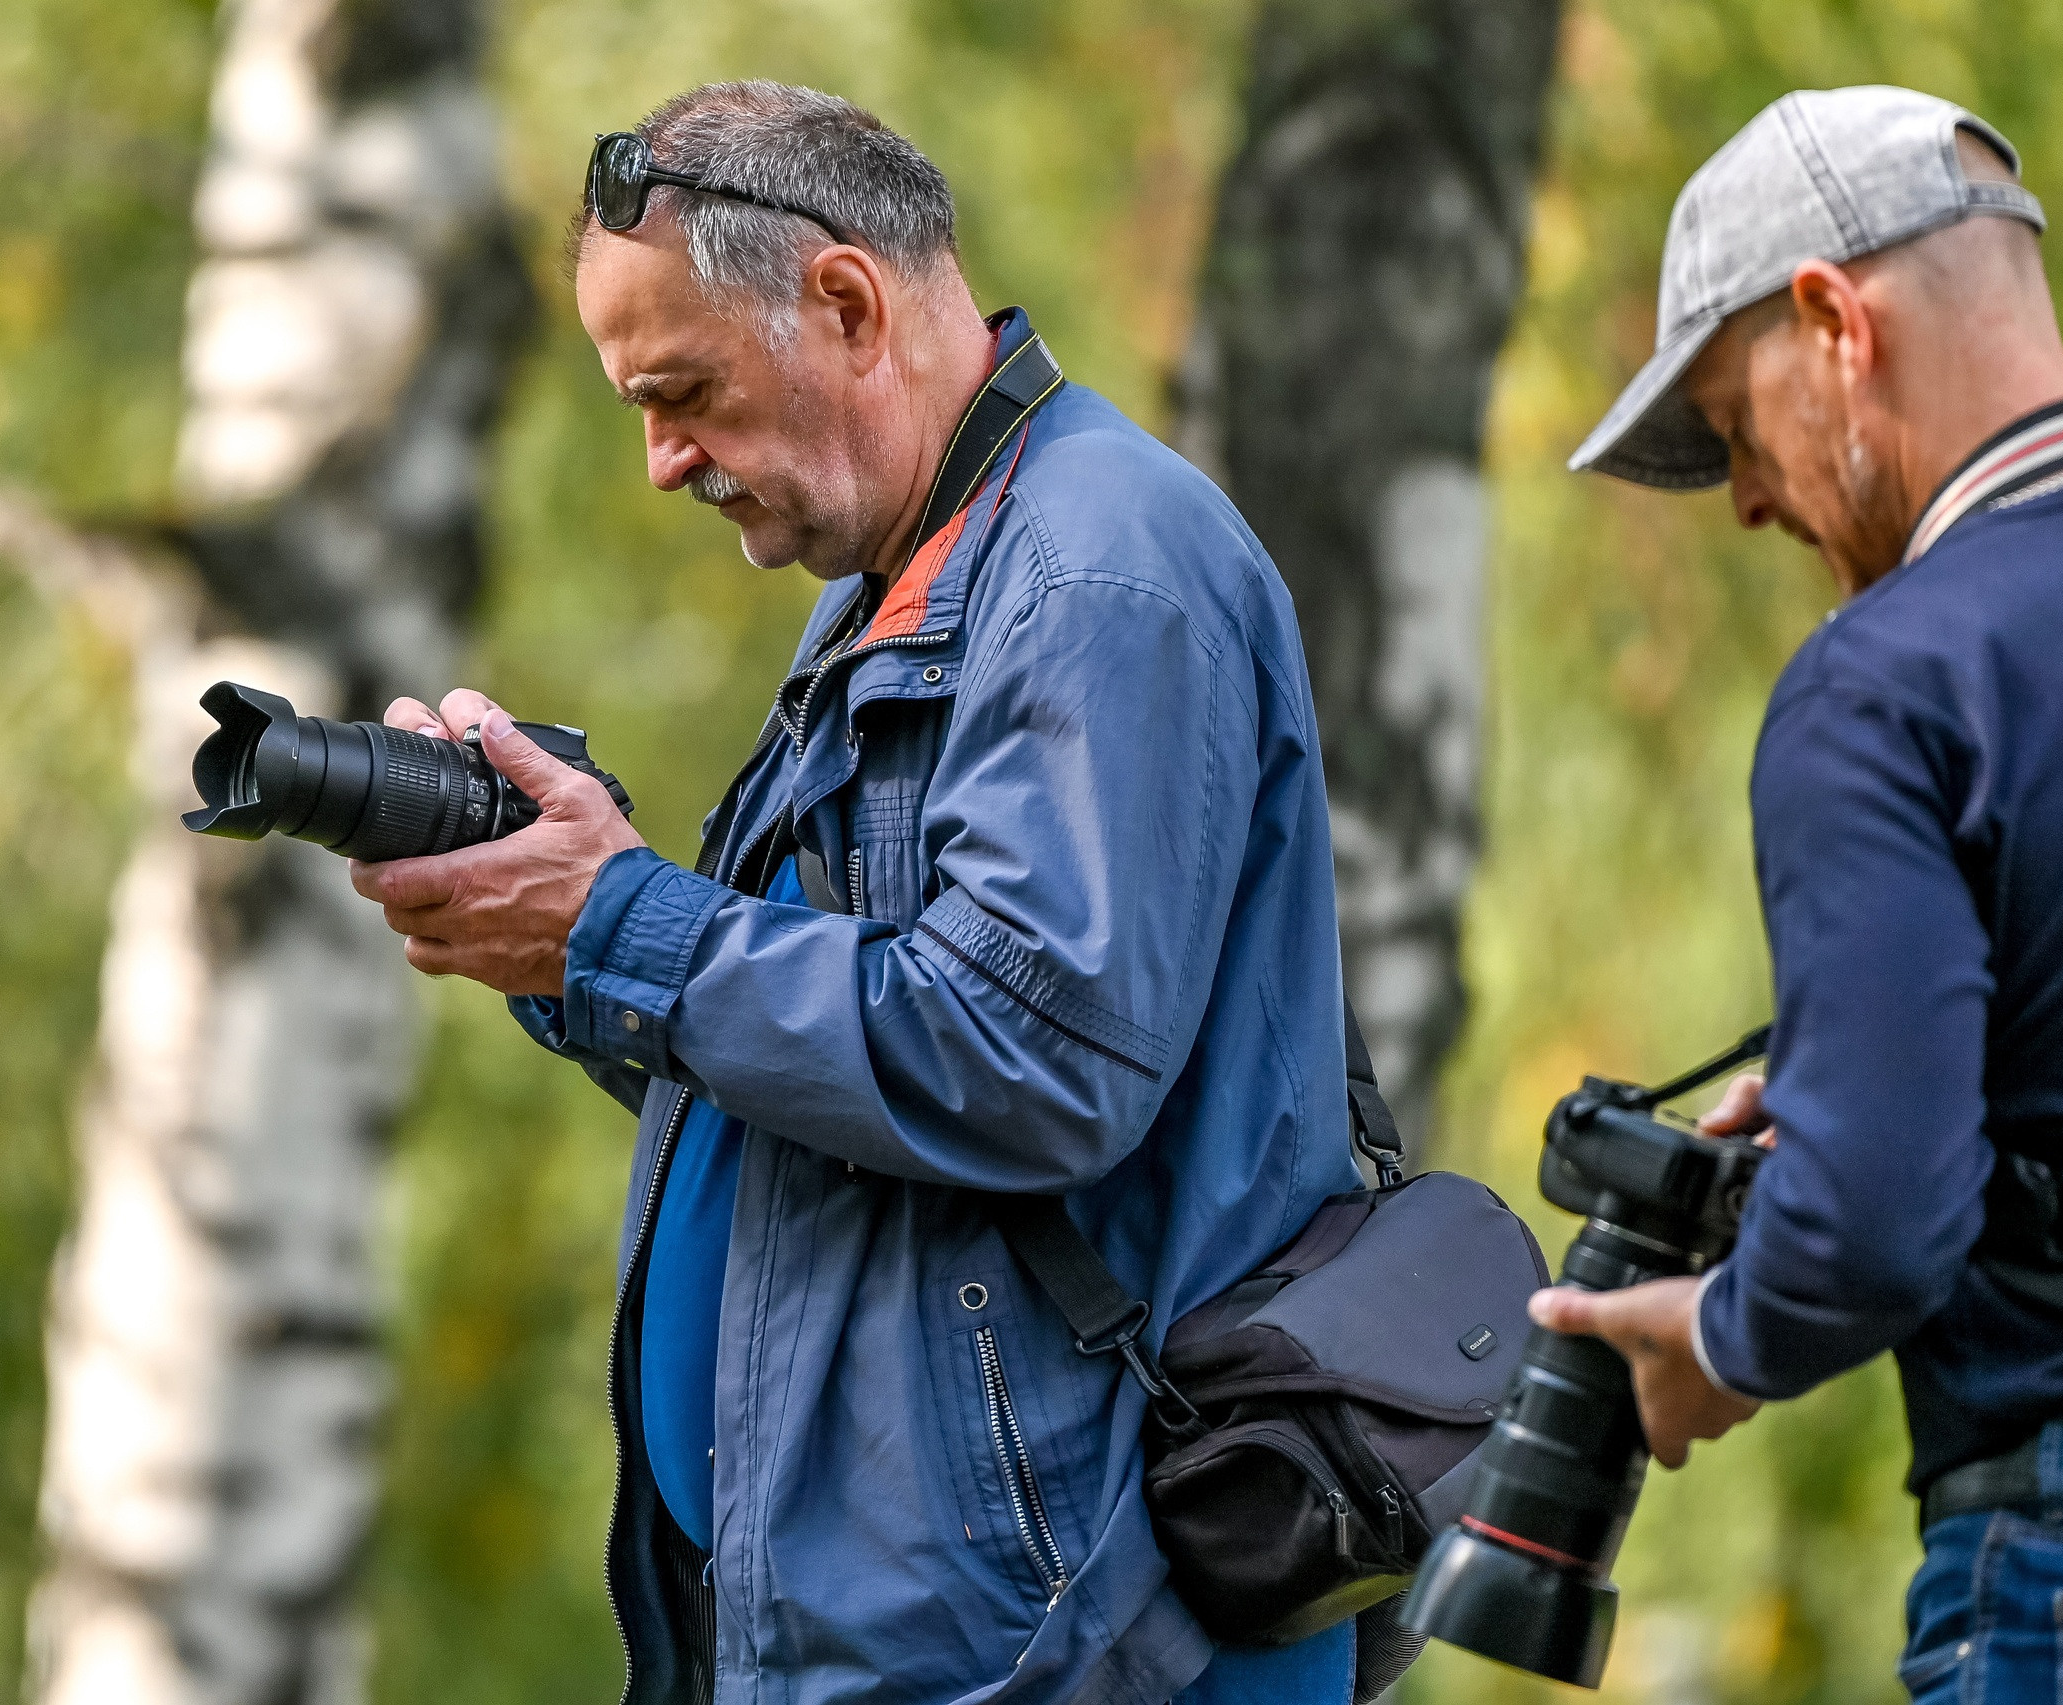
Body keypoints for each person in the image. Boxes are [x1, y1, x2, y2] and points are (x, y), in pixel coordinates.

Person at [348, 83, 1378, 1704]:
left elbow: (1031, 1057)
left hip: (1076, 1641)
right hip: (921, 1636)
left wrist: (621, 923)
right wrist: (559, 940)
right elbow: (838, 1093)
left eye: (683, 392)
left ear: (844, 303)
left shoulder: (1097, 571)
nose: (661, 462)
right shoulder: (911, 579)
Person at [1532, 85, 2063, 1701]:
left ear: (1833, 323)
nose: (1747, 501)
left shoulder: (1884, 685)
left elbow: (1873, 1229)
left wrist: (1719, 1338)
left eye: (1739, 430)